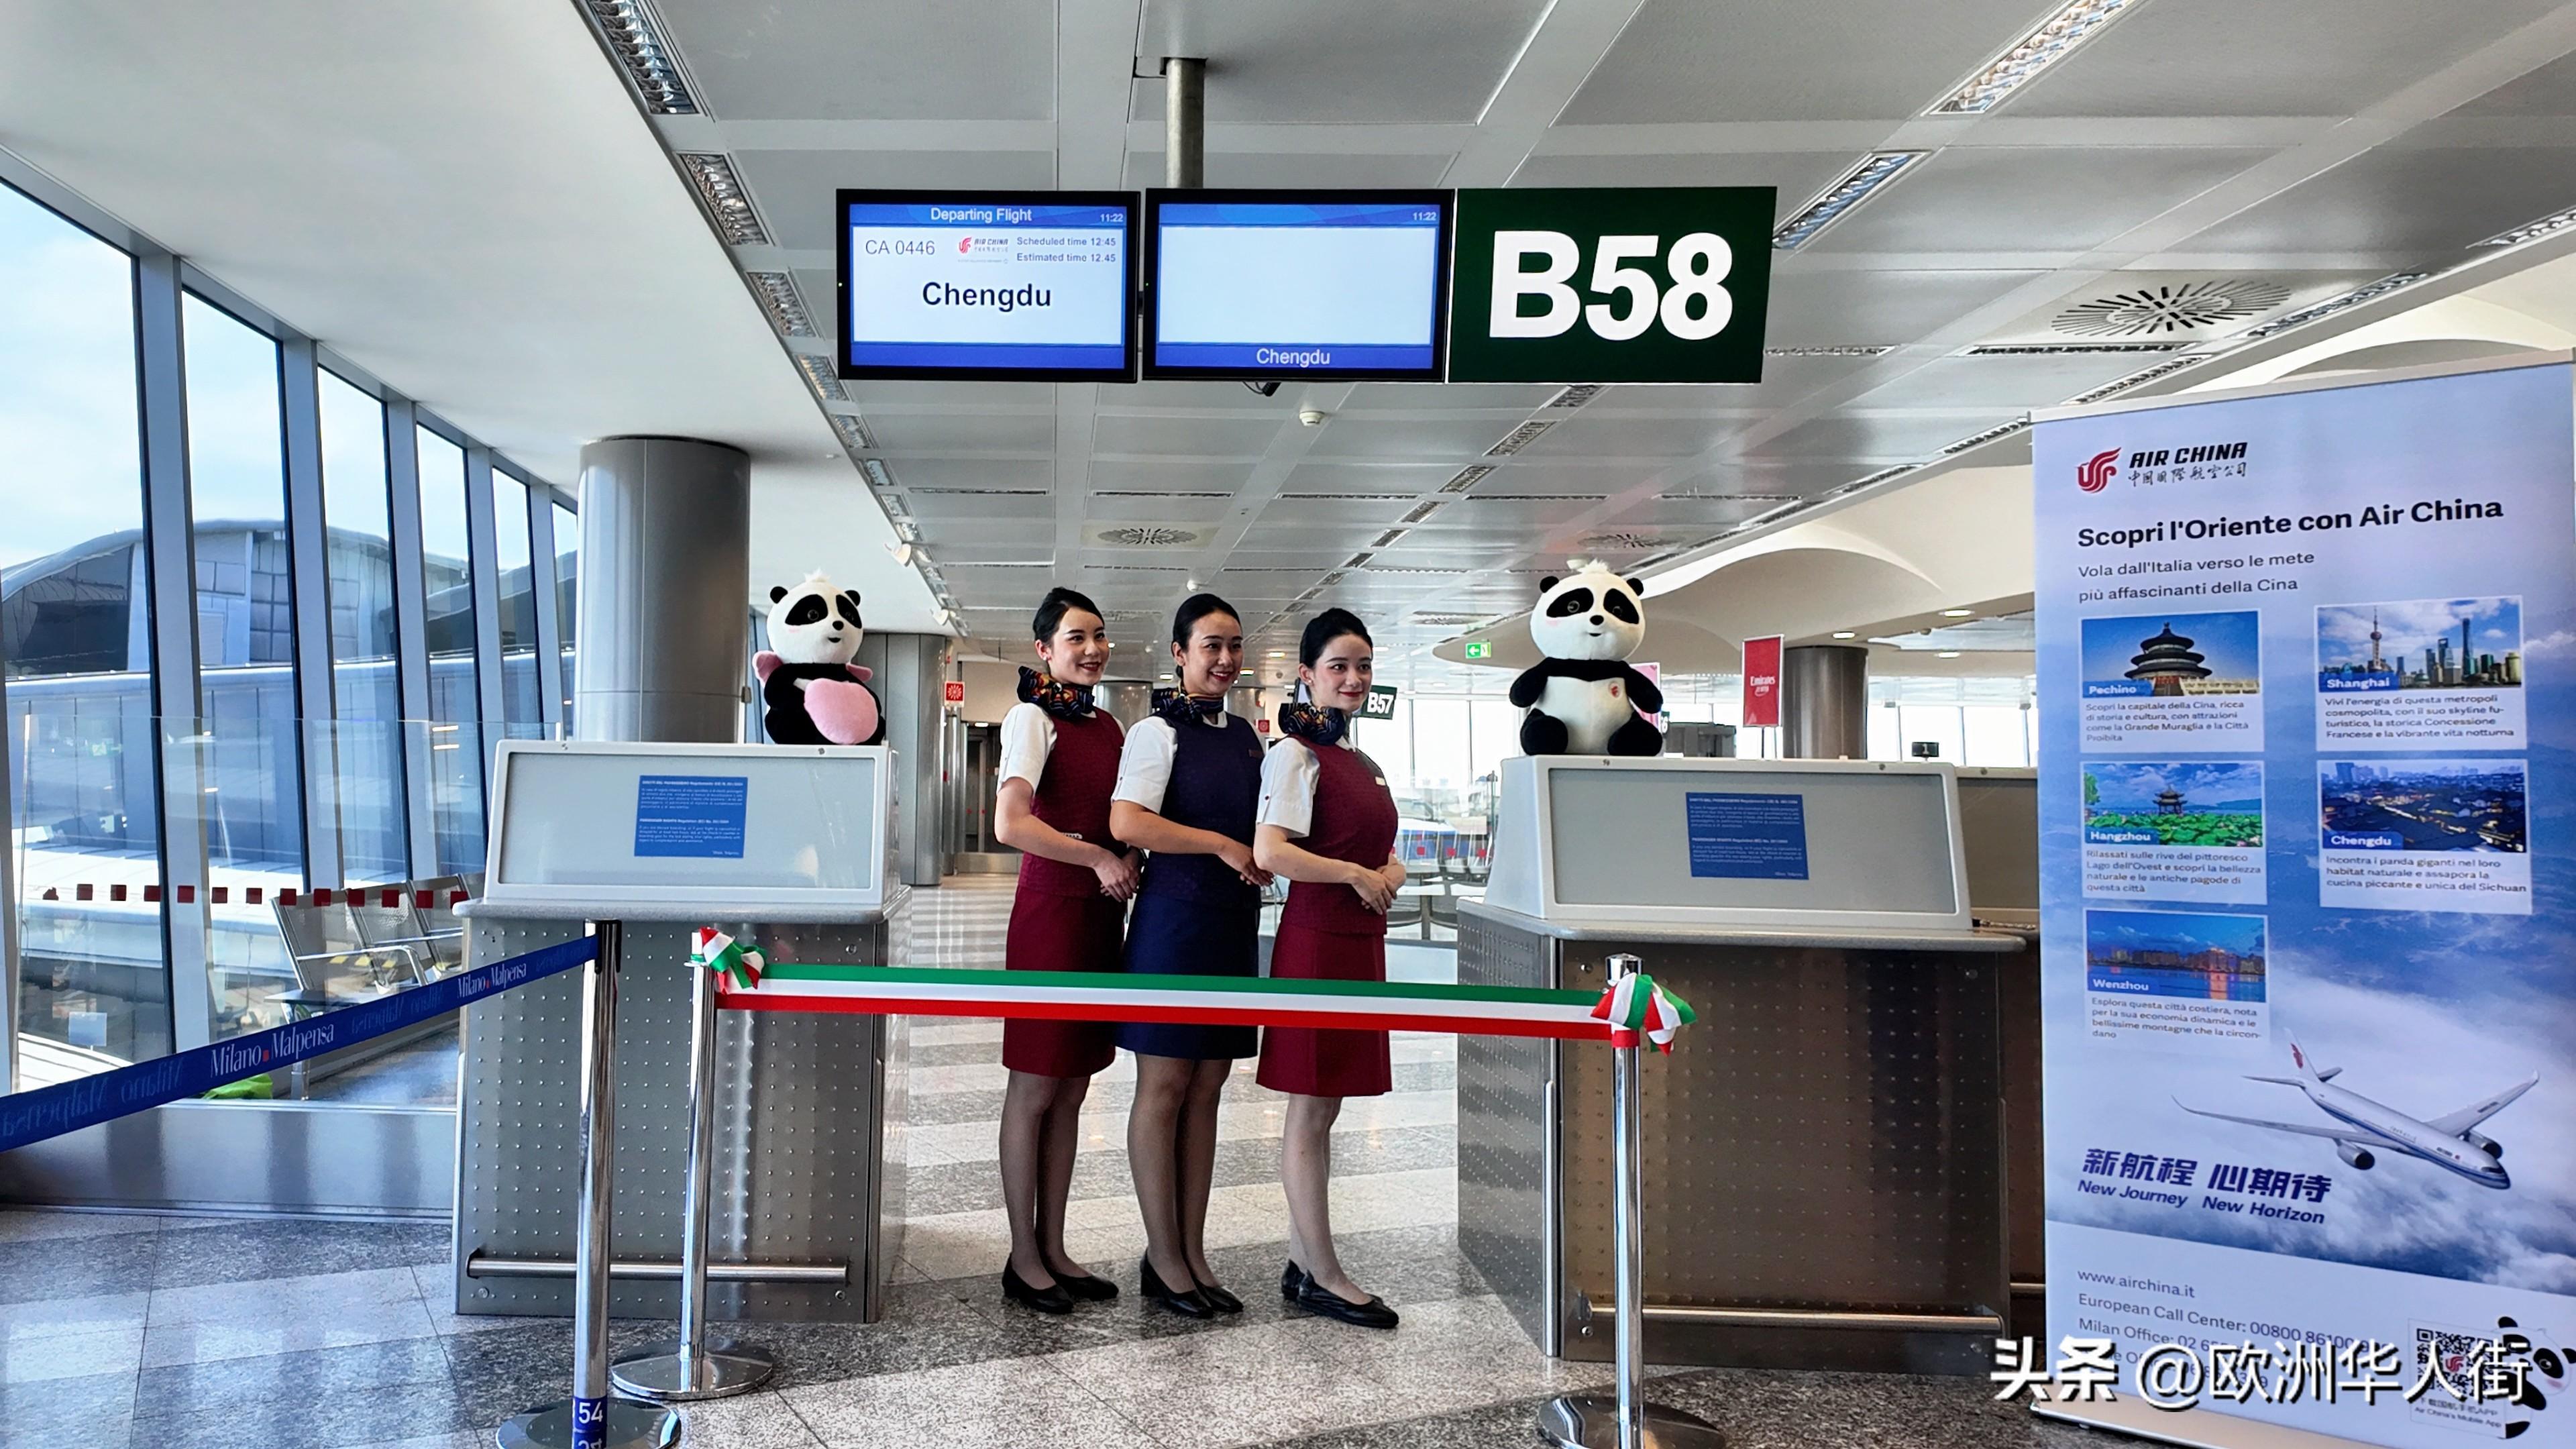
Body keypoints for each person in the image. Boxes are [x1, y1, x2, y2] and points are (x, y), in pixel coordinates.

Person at [1108, 593, 1271, 1319]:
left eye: (1234, 646)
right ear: (1179, 654)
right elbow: (1127, 821)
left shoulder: (1245, 737)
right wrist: (1220, 845)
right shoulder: (1156, 732)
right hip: (1173, 923)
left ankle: (1193, 1251)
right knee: (1166, 1084)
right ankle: (1163, 1255)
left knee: (1209, 1085)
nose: (1225, 659)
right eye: (1211, 646)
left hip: (1231, 925)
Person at [1252, 607, 1408, 1330]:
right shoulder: (1296, 754)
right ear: (1307, 675)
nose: (1353, 678)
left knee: (1329, 1105)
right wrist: (1352, 874)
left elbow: (1378, 851)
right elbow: (1272, 850)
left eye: (1363, 666)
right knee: (1311, 1107)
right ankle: (1324, 1273)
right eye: (1338, 666)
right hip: (1317, 942)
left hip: (1358, 942)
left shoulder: (1360, 758)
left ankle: (1302, 1260)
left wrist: (1388, 872)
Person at [990, 586, 1134, 1314]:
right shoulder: (1031, 717)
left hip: (1099, 919)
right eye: (1076, 637)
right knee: (1036, 1086)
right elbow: (1011, 824)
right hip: (1051, 917)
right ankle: (1023, 1255)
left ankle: (1054, 1245)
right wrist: (1098, 857)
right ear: (1044, 649)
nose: (1092, 649)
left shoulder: (1107, 725)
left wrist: (1127, 854)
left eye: (1099, 635)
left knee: (1074, 1086)